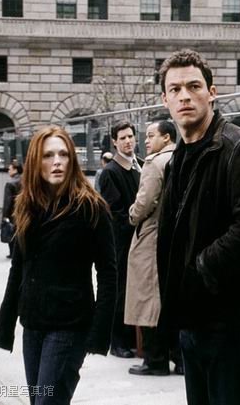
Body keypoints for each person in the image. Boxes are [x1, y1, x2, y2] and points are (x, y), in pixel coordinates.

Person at [156, 49, 240, 405]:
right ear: (165, 100)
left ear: (211, 93)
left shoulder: (236, 146)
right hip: (193, 320)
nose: (184, 96)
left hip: (231, 322)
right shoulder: (178, 158)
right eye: (175, 89)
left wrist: (204, 267)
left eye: (194, 86)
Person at [0, 126, 116, 405]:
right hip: (33, 324)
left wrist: (99, 333)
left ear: (72, 160)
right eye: (48, 155)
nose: (57, 162)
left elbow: (109, 273)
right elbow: (18, 270)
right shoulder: (28, 206)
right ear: (36, 162)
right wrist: (5, 325)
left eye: (63, 154)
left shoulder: (90, 207)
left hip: (69, 326)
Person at [125, 121, 183, 376]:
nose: (146, 141)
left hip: (151, 235)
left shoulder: (154, 163)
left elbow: (145, 201)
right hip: (177, 236)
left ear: (166, 137)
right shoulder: (183, 157)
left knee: (148, 296)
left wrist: (132, 215)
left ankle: (155, 359)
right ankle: (180, 358)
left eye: (151, 136)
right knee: (172, 297)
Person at [98, 120, 142, 358]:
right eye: (122, 138)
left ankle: (132, 339)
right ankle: (118, 342)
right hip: (122, 242)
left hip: (138, 239)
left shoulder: (140, 165)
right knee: (121, 290)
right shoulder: (110, 172)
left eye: (130, 136)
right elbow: (115, 213)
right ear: (114, 142)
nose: (127, 141)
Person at [2, 161, 23, 258]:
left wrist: (5, 216)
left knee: (12, 232)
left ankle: (13, 253)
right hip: (24, 211)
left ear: (15, 170)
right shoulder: (26, 180)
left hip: (13, 212)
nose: (8, 171)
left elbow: (8, 201)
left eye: (9, 169)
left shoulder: (10, 184)